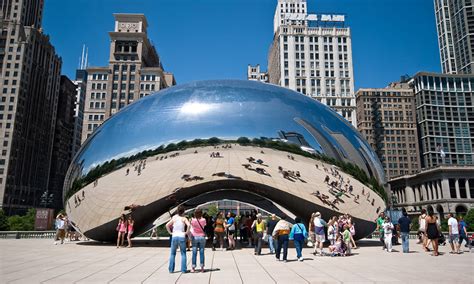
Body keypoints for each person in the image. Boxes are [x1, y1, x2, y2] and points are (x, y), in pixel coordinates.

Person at [166, 205, 191, 273]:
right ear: (184, 211)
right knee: (183, 254)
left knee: (172, 254)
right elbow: (188, 225)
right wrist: (186, 232)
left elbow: (167, 225)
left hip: (174, 236)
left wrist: (170, 232)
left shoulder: (174, 217)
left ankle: (171, 269)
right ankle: (183, 269)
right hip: (181, 236)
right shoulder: (184, 218)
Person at [190, 208, 206, 273]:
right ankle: (202, 267)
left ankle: (193, 268)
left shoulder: (192, 220)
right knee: (202, 252)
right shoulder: (204, 220)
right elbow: (204, 226)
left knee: (194, 252)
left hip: (194, 236)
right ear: (201, 213)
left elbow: (192, 227)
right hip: (202, 236)